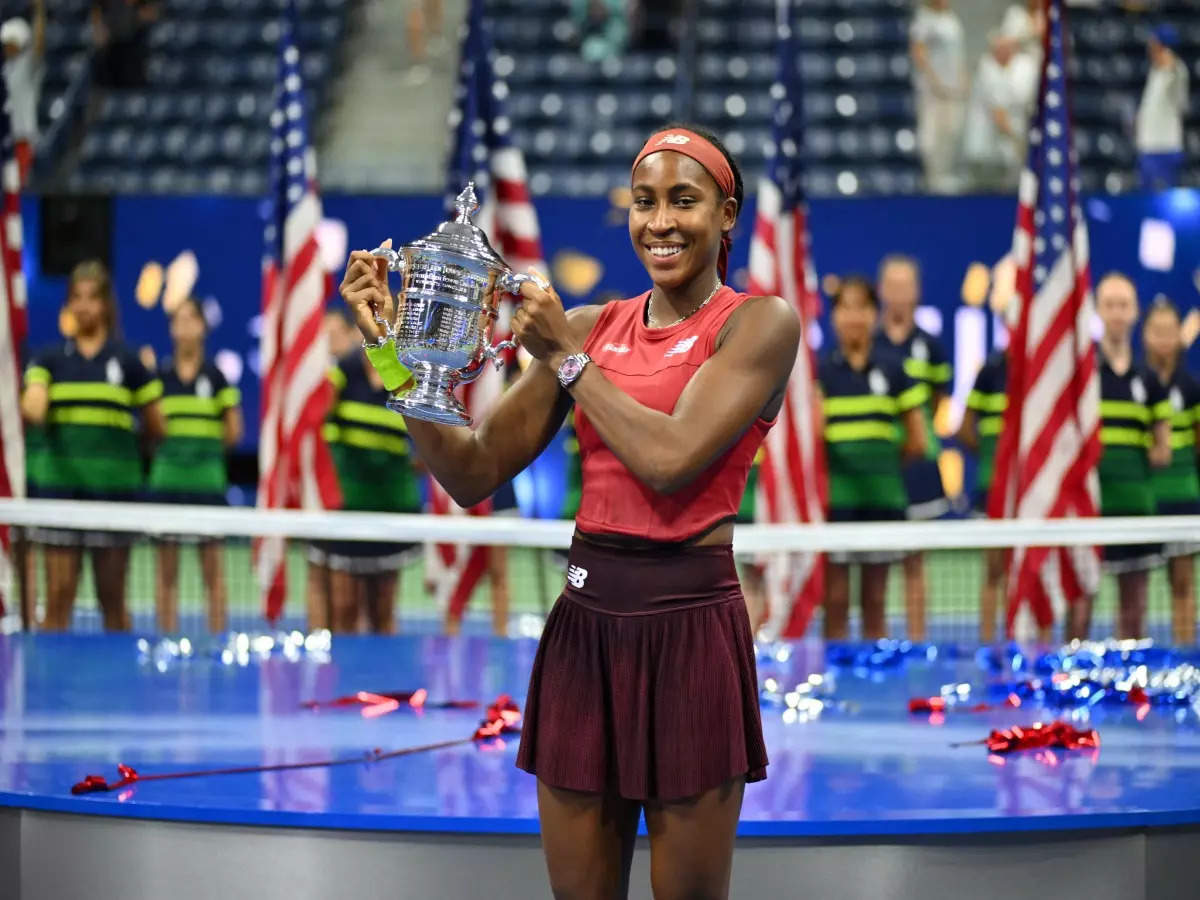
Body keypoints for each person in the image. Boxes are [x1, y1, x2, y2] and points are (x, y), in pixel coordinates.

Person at [341, 124, 798, 899]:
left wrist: (565, 357)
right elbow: (472, 471)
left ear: (726, 215)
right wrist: (396, 357)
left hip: (693, 633)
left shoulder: (759, 324)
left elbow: (670, 458)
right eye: (644, 202)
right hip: (583, 632)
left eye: (683, 201)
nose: (660, 221)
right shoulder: (589, 325)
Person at [19, 260, 165, 631]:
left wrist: (125, 457)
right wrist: (26, 403)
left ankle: (120, 688)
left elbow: (156, 425)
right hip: (60, 496)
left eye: (92, 298)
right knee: (59, 597)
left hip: (114, 497)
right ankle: (46, 686)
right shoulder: (46, 359)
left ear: (106, 305)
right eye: (76, 298)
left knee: (113, 600)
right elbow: (33, 407)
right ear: (68, 304)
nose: (84, 306)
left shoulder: (129, 362)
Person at [819, 276, 927, 641]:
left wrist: (880, 464)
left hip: (883, 501)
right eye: (845, 308)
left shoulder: (895, 368)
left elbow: (918, 440)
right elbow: (814, 437)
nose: (853, 316)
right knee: (834, 600)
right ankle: (833, 686)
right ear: (834, 317)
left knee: (876, 601)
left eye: (861, 307)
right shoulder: (822, 372)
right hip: (837, 504)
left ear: (873, 315)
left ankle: (874, 692)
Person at [1077, 273, 1171, 641]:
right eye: (1109, 305)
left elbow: (1162, 449)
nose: (1117, 313)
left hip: (1136, 509)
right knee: (1081, 605)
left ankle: (1131, 684)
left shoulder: (1149, 380)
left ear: (1134, 313)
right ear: (1098, 311)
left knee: (1134, 608)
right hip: (1091, 511)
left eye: (1124, 305)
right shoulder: (1083, 375)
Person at [310, 350, 423, 634]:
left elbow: (428, 444)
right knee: (344, 605)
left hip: (390, 508)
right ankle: (342, 676)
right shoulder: (343, 370)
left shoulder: (407, 372)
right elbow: (315, 422)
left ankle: (382, 677)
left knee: (383, 607)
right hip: (346, 508)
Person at [147, 297, 242, 634]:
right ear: (172, 329)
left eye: (192, 319)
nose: (185, 326)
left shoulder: (216, 377)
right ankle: (166, 639)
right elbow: (151, 426)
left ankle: (217, 640)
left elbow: (234, 431)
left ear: (203, 327)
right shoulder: (158, 375)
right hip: (167, 482)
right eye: (179, 320)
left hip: (207, 484)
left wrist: (201, 451)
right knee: (165, 574)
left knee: (213, 574)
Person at [873, 255, 949, 641]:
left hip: (920, 468)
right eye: (893, 286)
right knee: (880, 564)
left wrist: (916, 441)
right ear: (882, 290)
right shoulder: (869, 344)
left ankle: (918, 643)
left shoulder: (931, 347)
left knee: (915, 563)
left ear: (916, 292)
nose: (900, 294)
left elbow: (937, 405)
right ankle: (883, 644)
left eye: (907, 287)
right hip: (882, 469)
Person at [1142, 298, 1200, 646]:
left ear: (1180, 336)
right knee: (1138, 586)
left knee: (1182, 583)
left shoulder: (1192, 387)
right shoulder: (1138, 382)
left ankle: (1185, 654)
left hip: (1184, 498)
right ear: (1145, 335)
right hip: (1146, 499)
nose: (1164, 338)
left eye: (1170, 331)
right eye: (1157, 331)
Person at [958, 349, 1008, 643]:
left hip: (1028, 493)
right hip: (992, 488)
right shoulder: (991, 370)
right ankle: (988, 644)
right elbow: (964, 427)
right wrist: (991, 456)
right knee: (994, 571)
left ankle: (1026, 644)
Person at [962, 32, 1038, 193]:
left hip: (996, 148)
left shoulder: (1007, 70)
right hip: (984, 147)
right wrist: (1020, 144)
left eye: (1009, 48)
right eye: (1002, 48)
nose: (1006, 52)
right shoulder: (988, 70)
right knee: (984, 192)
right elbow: (999, 114)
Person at [910, 0, 967, 194]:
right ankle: (932, 178)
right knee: (931, 134)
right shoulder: (923, 20)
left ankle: (946, 173)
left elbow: (959, 54)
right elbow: (919, 53)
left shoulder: (952, 19)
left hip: (953, 89)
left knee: (951, 130)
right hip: (933, 90)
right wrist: (934, 81)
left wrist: (962, 77)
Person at [1136, 24, 1189, 191]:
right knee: (1147, 199)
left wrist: (1170, 62)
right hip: (1148, 147)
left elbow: (1180, 99)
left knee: (1164, 199)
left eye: (1153, 42)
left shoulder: (1177, 70)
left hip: (1164, 148)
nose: (1150, 47)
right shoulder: (1155, 71)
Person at [2, 2, 45, 185]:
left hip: (22, 139)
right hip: (5, 138)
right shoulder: (4, 68)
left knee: (15, 188)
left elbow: (39, 44)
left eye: (12, 42)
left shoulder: (28, 65)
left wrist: (39, 11)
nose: (8, 46)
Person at [90, 0, 159, 89]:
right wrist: (98, 26)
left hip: (133, 45)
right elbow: (97, 9)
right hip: (110, 48)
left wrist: (135, 17)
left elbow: (152, 13)